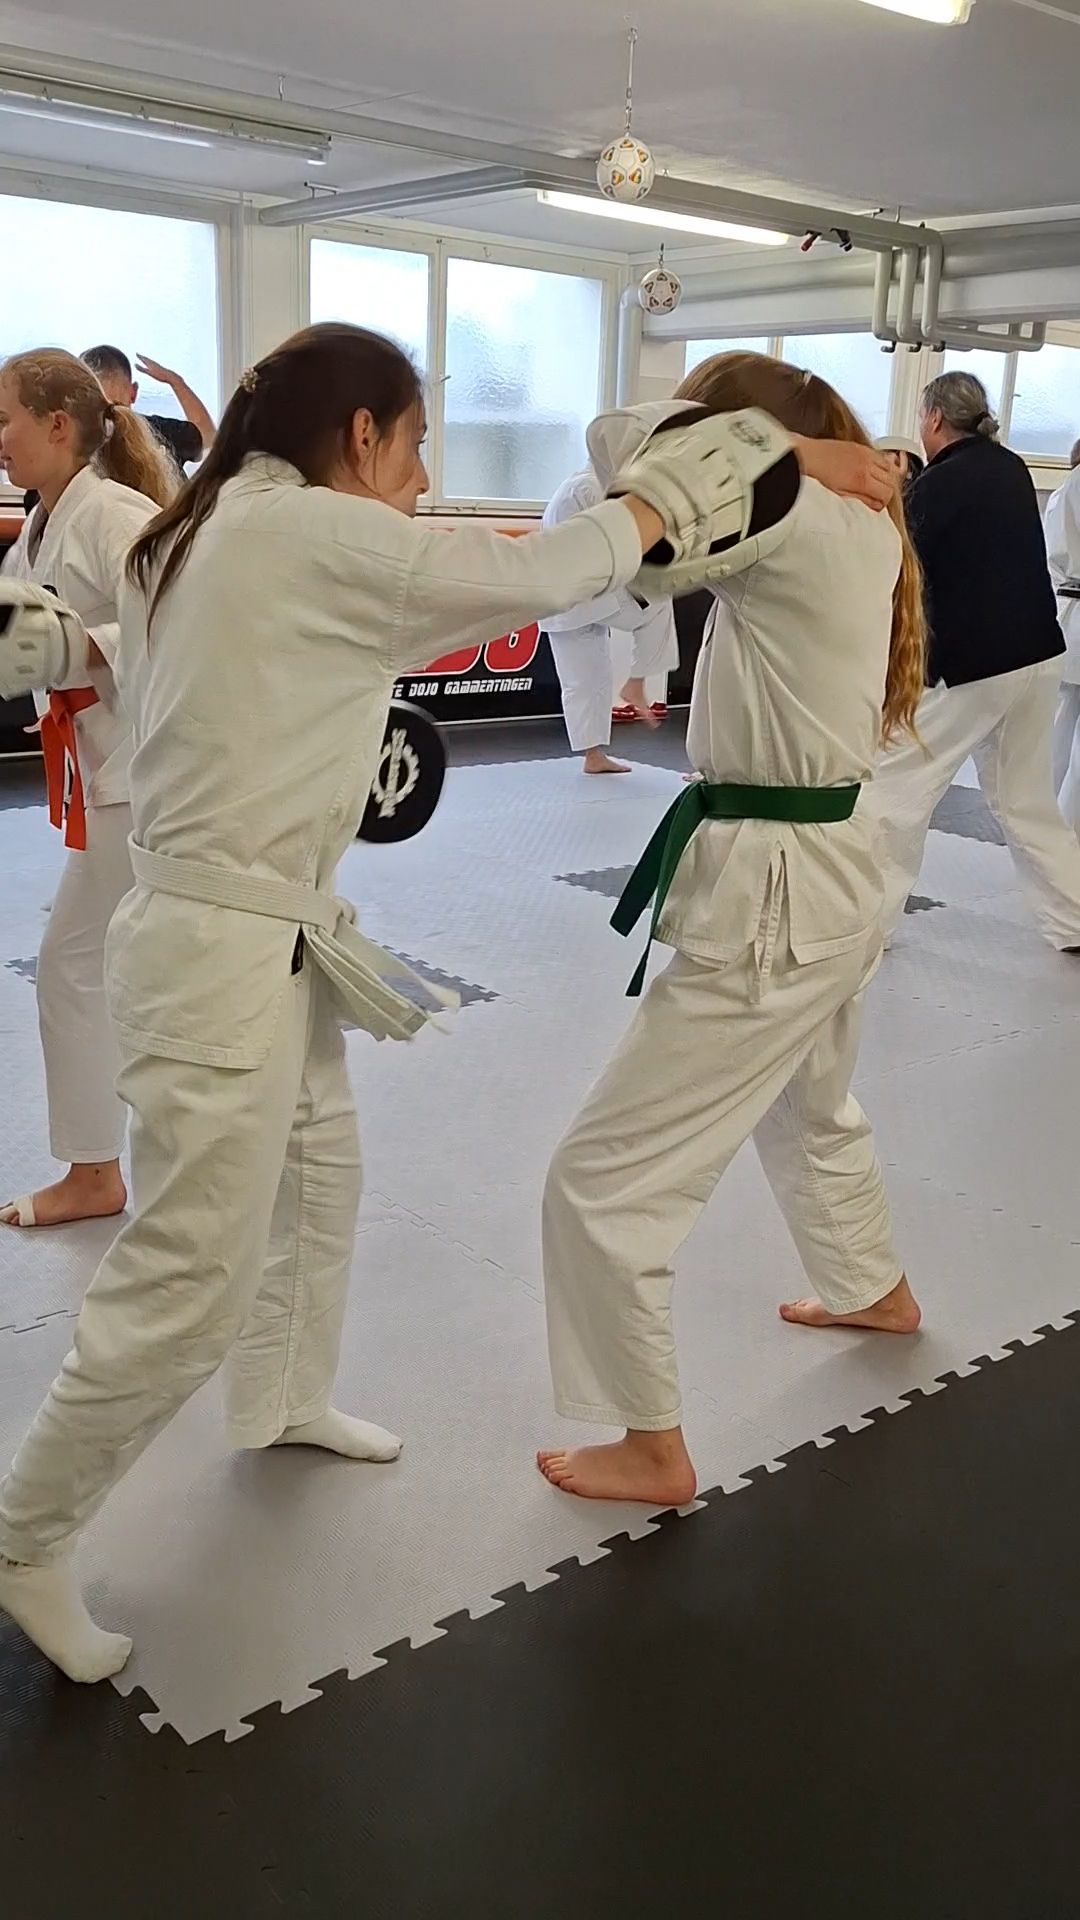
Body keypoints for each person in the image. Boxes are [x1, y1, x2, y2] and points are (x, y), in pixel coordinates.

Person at [0, 320, 891, 1683]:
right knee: (187, 1273)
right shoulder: (301, 532)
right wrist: (778, 447)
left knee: (321, 1177)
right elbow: (556, 566)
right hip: (217, 947)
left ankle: (282, 1398)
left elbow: (125, 648)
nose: (422, 480)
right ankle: (25, 1536)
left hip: (258, 931)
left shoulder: (210, 524)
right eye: (415, 448)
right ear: (359, 435)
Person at [537, 351, 923, 1508]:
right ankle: (874, 1288)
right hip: (833, 877)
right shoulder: (850, 517)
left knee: (601, 1182)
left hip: (776, 895)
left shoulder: (795, 507)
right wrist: (799, 449)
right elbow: (644, 468)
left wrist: (783, 452)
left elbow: (617, 441)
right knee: (808, 1106)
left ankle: (649, 1444)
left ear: (747, 437)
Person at [0, 349, 177, 1230]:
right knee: (115, 966)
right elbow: (22, 638)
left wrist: (79, 651)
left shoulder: (113, 514)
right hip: (108, 773)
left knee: (75, 965)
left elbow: (184, 612)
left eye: (6, 420)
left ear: (58, 425)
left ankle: (96, 1173)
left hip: (154, 776)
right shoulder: (40, 527)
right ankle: (106, 1163)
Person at [864, 371, 1080, 952]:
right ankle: (1075, 919)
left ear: (934, 418)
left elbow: (899, 566)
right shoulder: (1011, 467)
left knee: (894, 787)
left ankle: (864, 928)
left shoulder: (939, 484)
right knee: (1026, 801)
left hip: (975, 665)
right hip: (1037, 653)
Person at [542, 416, 678, 774]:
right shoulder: (592, 487)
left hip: (563, 599)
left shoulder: (579, 485)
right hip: (585, 594)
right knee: (659, 601)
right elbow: (618, 543)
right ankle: (637, 682)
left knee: (587, 679)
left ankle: (593, 756)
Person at [81, 344, 215, 472]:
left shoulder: (75, 449)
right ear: (133, 392)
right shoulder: (160, 433)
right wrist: (176, 382)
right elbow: (208, 439)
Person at [1043, 453, 1080, 834]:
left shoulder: (1063, 491)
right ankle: (1069, 826)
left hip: (1067, 612)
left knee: (1059, 725)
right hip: (1072, 608)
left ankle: (1048, 820)